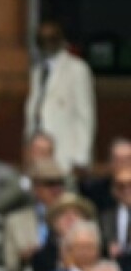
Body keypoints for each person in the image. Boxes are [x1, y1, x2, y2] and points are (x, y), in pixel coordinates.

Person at [25, 20, 95, 175]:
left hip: (65, 156)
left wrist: (80, 158)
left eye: (51, 38)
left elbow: (85, 116)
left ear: (61, 39)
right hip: (39, 154)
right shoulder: (37, 72)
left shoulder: (77, 69)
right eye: (42, 39)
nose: (47, 43)